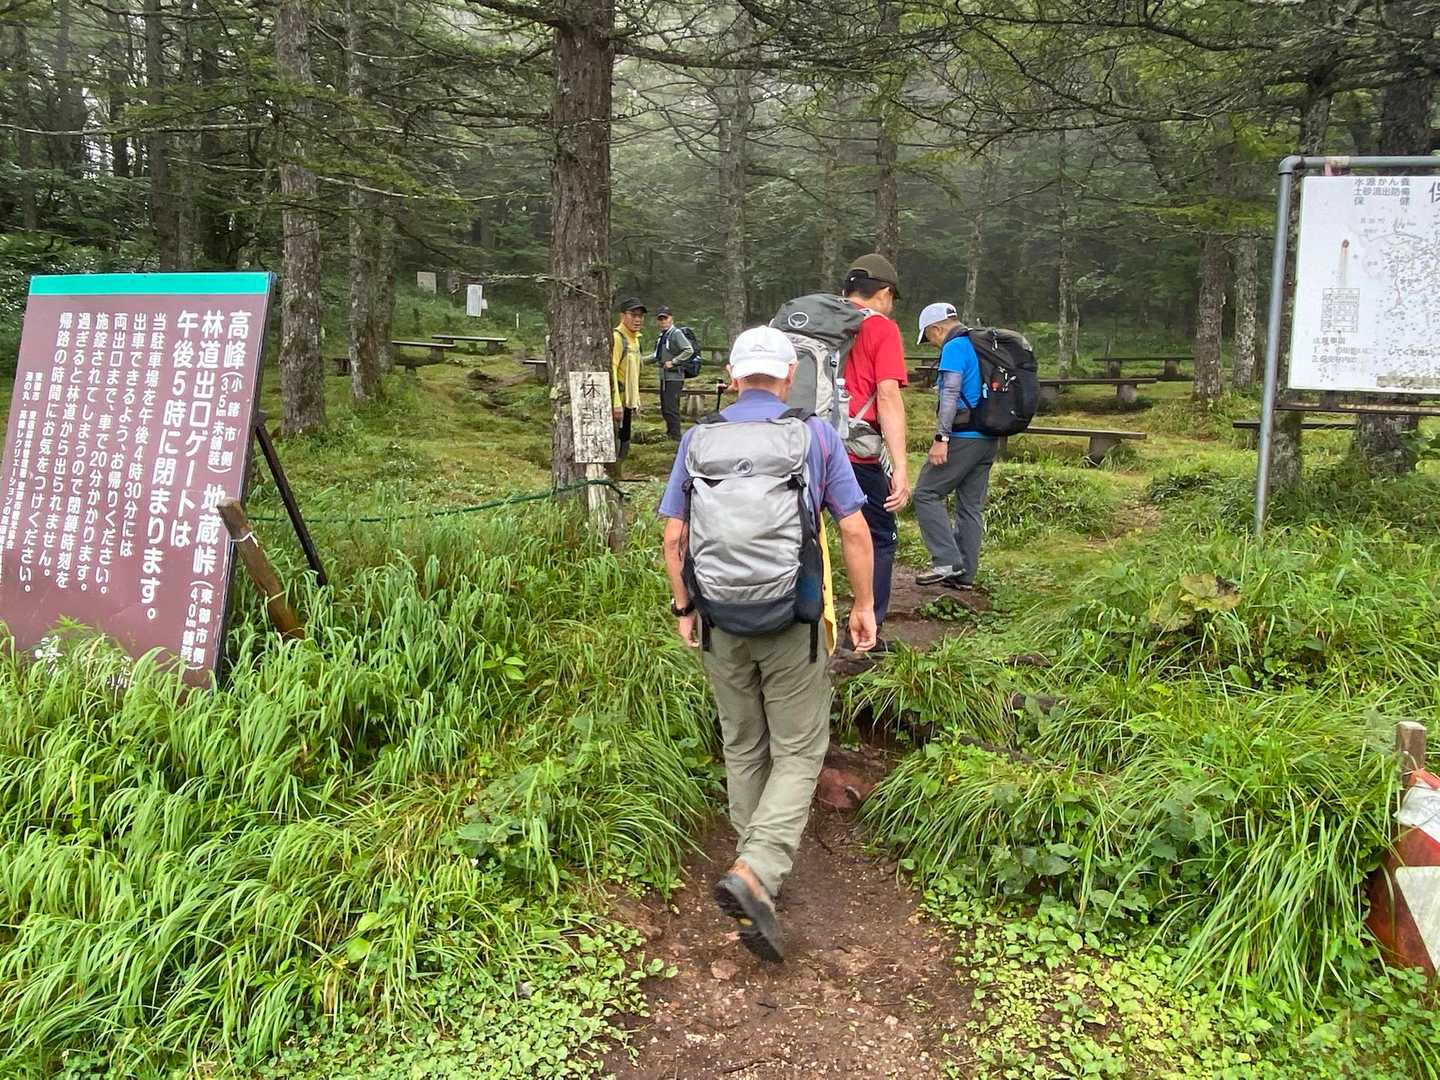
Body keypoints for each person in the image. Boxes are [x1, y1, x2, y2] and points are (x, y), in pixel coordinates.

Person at [659, 326, 877, 962]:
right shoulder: (815, 435)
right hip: (793, 618)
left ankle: (753, 869)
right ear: (788, 377)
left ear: (732, 376)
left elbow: (674, 537)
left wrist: (684, 607)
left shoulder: (698, 438)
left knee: (743, 742)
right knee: (800, 749)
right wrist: (864, 606)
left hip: (720, 619)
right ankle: (757, 872)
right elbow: (854, 529)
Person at [838, 253, 909, 638]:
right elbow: (888, 396)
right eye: (892, 297)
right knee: (879, 536)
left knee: (805, 533)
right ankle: (868, 627)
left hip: (805, 446)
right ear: (883, 293)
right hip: (855, 451)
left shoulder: (816, 324)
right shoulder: (881, 328)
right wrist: (900, 467)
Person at [911, 302, 998, 590]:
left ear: (937, 328)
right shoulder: (980, 344)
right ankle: (965, 576)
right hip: (988, 436)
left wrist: (942, 438)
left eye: (929, 337)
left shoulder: (955, 346)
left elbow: (950, 392)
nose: (933, 343)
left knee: (926, 492)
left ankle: (947, 561)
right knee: (970, 506)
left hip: (963, 435)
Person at [653, 306, 696, 440]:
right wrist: (638, 360)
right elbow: (656, 356)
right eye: (660, 319)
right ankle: (670, 433)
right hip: (665, 377)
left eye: (665, 318)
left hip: (674, 376)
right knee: (666, 407)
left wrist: (674, 361)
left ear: (671, 318)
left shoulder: (676, 333)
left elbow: (688, 350)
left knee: (671, 407)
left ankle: (676, 436)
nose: (663, 321)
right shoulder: (663, 336)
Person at [611, 297, 645, 459]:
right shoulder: (617, 338)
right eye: (633, 315)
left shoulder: (635, 339)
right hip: (619, 401)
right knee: (616, 439)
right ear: (623, 316)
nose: (637, 320)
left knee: (625, 437)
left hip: (629, 401)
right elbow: (612, 369)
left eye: (640, 316)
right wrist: (616, 402)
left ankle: (620, 465)